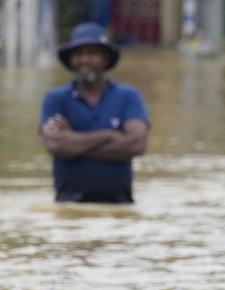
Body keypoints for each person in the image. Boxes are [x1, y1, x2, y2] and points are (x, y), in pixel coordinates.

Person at [38, 22, 150, 203]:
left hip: (120, 208)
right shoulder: (55, 98)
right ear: (71, 60)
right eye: (78, 54)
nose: (84, 60)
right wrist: (109, 135)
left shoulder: (128, 96)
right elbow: (55, 144)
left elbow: (136, 144)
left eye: (92, 53)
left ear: (105, 58)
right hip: (69, 208)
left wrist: (73, 142)